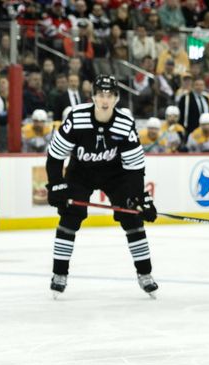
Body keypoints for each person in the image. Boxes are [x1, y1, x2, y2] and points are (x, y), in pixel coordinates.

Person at [45, 75, 159, 297]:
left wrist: (138, 198)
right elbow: (55, 155)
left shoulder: (125, 123)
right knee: (70, 217)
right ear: (93, 96)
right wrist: (56, 185)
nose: (104, 100)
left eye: (109, 95)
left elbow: (135, 167)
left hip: (115, 174)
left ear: (117, 98)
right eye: (100, 94)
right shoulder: (77, 118)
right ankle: (59, 274)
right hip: (80, 173)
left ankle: (145, 274)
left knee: (132, 218)